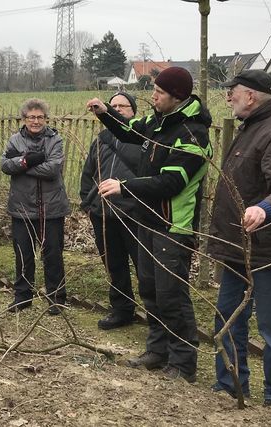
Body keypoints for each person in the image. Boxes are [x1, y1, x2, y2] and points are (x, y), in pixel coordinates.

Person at [87, 67, 212, 382]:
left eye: (159, 91)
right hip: (147, 221)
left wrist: (125, 187)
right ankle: (158, 350)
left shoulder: (192, 134)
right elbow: (129, 128)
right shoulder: (158, 121)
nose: (152, 95)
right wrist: (105, 113)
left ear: (177, 97)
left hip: (172, 226)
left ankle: (183, 363)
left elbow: (172, 182)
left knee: (172, 295)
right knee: (151, 290)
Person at [208, 70, 271, 412]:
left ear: (250, 96)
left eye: (232, 92)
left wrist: (265, 208)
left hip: (269, 251)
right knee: (228, 318)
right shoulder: (252, 128)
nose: (228, 97)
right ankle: (230, 383)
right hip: (238, 248)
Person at [1, 98, 70, 316]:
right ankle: (22, 297)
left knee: (53, 255)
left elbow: (53, 169)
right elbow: (5, 165)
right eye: (32, 117)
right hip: (21, 207)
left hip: (52, 207)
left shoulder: (55, 139)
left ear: (46, 119)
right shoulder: (14, 140)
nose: (36, 121)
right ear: (24, 119)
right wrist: (27, 161)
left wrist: (21, 164)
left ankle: (56, 298)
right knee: (23, 254)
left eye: (40, 117)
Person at [80, 92, 140, 330]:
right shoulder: (102, 140)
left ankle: (157, 317)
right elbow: (88, 173)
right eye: (112, 105)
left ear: (133, 111)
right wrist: (88, 203)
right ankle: (122, 310)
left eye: (121, 106)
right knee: (114, 265)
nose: (116, 109)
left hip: (133, 214)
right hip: (103, 214)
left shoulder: (140, 140)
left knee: (143, 268)